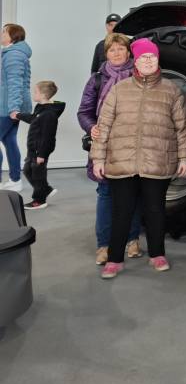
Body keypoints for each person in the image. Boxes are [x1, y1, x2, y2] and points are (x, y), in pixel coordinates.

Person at [92, 38, 186, 279]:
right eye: (143, 57)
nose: (148, 61)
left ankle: (157, 254)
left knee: (155, 209)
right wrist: (98, 158)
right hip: (122, 159)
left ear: (158, 60)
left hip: (157, 159)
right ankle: (115, 258)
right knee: (122, 211)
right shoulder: (119, 89)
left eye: (152, 57)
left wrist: (184, 157)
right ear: (135, 61)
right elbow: (104, 125)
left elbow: (183, 128)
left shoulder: (171, 90)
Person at [77, 32, 140, 265]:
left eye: (120, 49)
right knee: (105, 194)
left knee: (132, 193)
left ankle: (132, 240)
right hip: (106, 143)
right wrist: (91, 127)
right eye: (112, 49)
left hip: (133, 142)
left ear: (128, 51)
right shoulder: (97, 79)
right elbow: (84, 111)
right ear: (106, 53)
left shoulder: (138, 75)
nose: (116, 53)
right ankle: (103, 245)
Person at [14, 81, 64, 211]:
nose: (33, 94)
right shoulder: (40, 108)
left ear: (43, 95)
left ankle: (39, 200)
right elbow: (32, 118)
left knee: (38, 174)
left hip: (40, 150)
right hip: (33, 148)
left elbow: (48, 136)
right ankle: (45, 189)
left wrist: (42, 154)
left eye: (35, 91)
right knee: (27, 170)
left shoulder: (49, 114)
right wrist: (18, 115)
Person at [0, 23, 32, 191]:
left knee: (9, 141)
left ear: (13, 36)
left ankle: (13, 179)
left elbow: (15, 84)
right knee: (9, 140)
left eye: (4, 31)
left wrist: (14, 109)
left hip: (8, 108)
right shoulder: (12, 53)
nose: (1, 33)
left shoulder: (13, 55)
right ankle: (15, 180)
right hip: (7, 105)